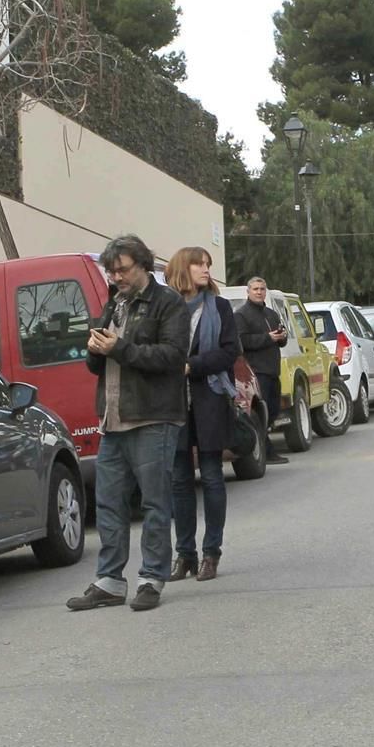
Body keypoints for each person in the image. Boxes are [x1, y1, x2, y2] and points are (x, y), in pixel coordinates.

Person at [66, 235, 189, 614]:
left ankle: (152, 577)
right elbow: (98, 366)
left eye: (123, 269)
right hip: (112, 419)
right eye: (112, 271)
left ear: (143, 264)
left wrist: (117, 347)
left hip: (154, 417)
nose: (117, 276)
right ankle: (109, 581)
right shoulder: (114, 303)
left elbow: (172, 356)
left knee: (153, 502)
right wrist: (94, 349)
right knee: (108, 504)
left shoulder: (168, 303)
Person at [167, 246, 242, 582]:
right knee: (180, 482)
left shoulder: (219, 307)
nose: (206, 268)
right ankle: (185, 555)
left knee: (211, 477)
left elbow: (229, 353)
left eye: (208, 264)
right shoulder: (166, 308)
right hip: (172, 404)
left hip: (209, 399)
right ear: (184, 267)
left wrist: (191, 366)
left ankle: (211, 552)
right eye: (199, 263)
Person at [236, 276, 290, 464]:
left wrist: (282, 336)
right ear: (248, 292)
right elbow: (241, 341)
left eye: (262, 289)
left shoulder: (271, 314)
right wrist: (267, 338)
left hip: (273, 370)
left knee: (274, 411)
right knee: (262, 413)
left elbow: (281, 339)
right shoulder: (241, 315)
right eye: (255, 289)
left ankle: (266, 446)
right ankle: (266, 451)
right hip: (256, 372)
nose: (259, 292)